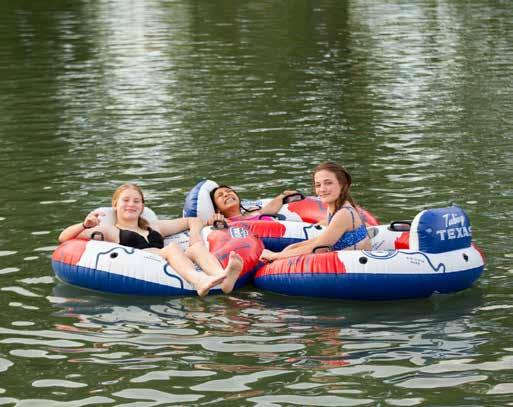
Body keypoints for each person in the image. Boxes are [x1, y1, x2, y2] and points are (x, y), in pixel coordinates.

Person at [58, 183, 243, 297]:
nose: (131, 205)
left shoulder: (154, 227)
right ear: (115, 205)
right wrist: (84, 225)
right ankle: (199, 280)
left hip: (172, 262)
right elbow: (64, 238)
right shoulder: (110, 230)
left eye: (136, 201)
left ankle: (224, 278)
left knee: (195, 248)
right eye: (126, 200)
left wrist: (195, 235)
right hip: (145, 264)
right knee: (172, 248)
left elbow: (192, 220)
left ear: (142, 206)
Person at [259, 162, 371, 262]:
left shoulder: (344, 213)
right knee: (290, 249)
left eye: (328, 183)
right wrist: (292, 247)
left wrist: (275, 255)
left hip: (355, 268)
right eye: (318, 185)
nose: (322, 189)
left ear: (342, 185)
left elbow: (318, 247)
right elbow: (322, 239)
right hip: (344, 260)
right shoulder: (333, 208)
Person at [208, 185, 298, 224]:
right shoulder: (224, 222)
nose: (226, 194)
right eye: (220, 195)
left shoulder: (254, 213)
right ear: (217, 209)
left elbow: (270, 209)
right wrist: (213, 222)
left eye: (229, 191)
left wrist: (283, 195)